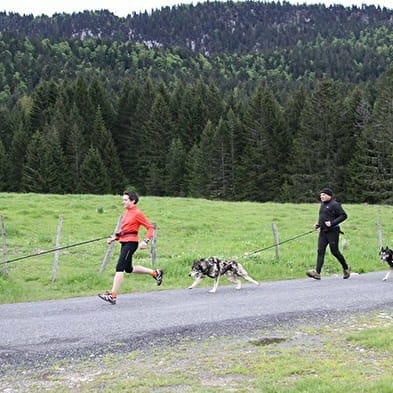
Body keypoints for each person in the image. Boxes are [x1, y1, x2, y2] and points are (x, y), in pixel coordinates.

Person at [99, 191, 163, 305]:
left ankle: (113, 295)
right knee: (128, 268)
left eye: (125, 200)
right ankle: (155, 273)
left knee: (120, 267)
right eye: (123, 199)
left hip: (131, 243)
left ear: (132, 201)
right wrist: (115, 238)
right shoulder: (127, 213)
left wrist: (145, 241)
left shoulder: (137, 213)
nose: (122, 202)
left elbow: (150, 228)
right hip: (124, 242)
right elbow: (125, 231)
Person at [306, 188, 350, 280]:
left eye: (324, 195)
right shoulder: (322, 204)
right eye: (321, 195)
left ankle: (346, 267)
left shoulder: (335, 205)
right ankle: (317, 273)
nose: (321, 196)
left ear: (329, 196)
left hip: (333, 231)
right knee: (320, 251)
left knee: (334, 251)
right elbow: (323, 216)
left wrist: (332, 222)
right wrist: (318, 224)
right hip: (323, 231)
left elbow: (344, 215)